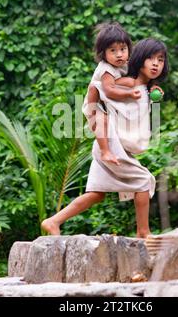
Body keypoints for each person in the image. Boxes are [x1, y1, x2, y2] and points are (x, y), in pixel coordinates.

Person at [41, 37, 169, 238]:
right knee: (144, 182)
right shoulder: (126, 83)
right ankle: (143, 232)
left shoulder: (144, 88)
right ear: (139, 59)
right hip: (109, 146)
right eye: (150, 58)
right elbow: (99, 88)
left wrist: (152, 90)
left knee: (96, 194)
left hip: (112, 147)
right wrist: (95, 111)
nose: (155, 63)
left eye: (160, 60)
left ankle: (53, 221)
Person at [82, 22, 139, 166]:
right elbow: (110, 91)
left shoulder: (126, 64)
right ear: (103, 54)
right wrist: (130, 94)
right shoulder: (106, 69)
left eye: (122, 49)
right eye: (112, 50)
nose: (119, 54)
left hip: (110, 107)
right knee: (103, 120)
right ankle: (105, 151)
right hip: (95, 107)